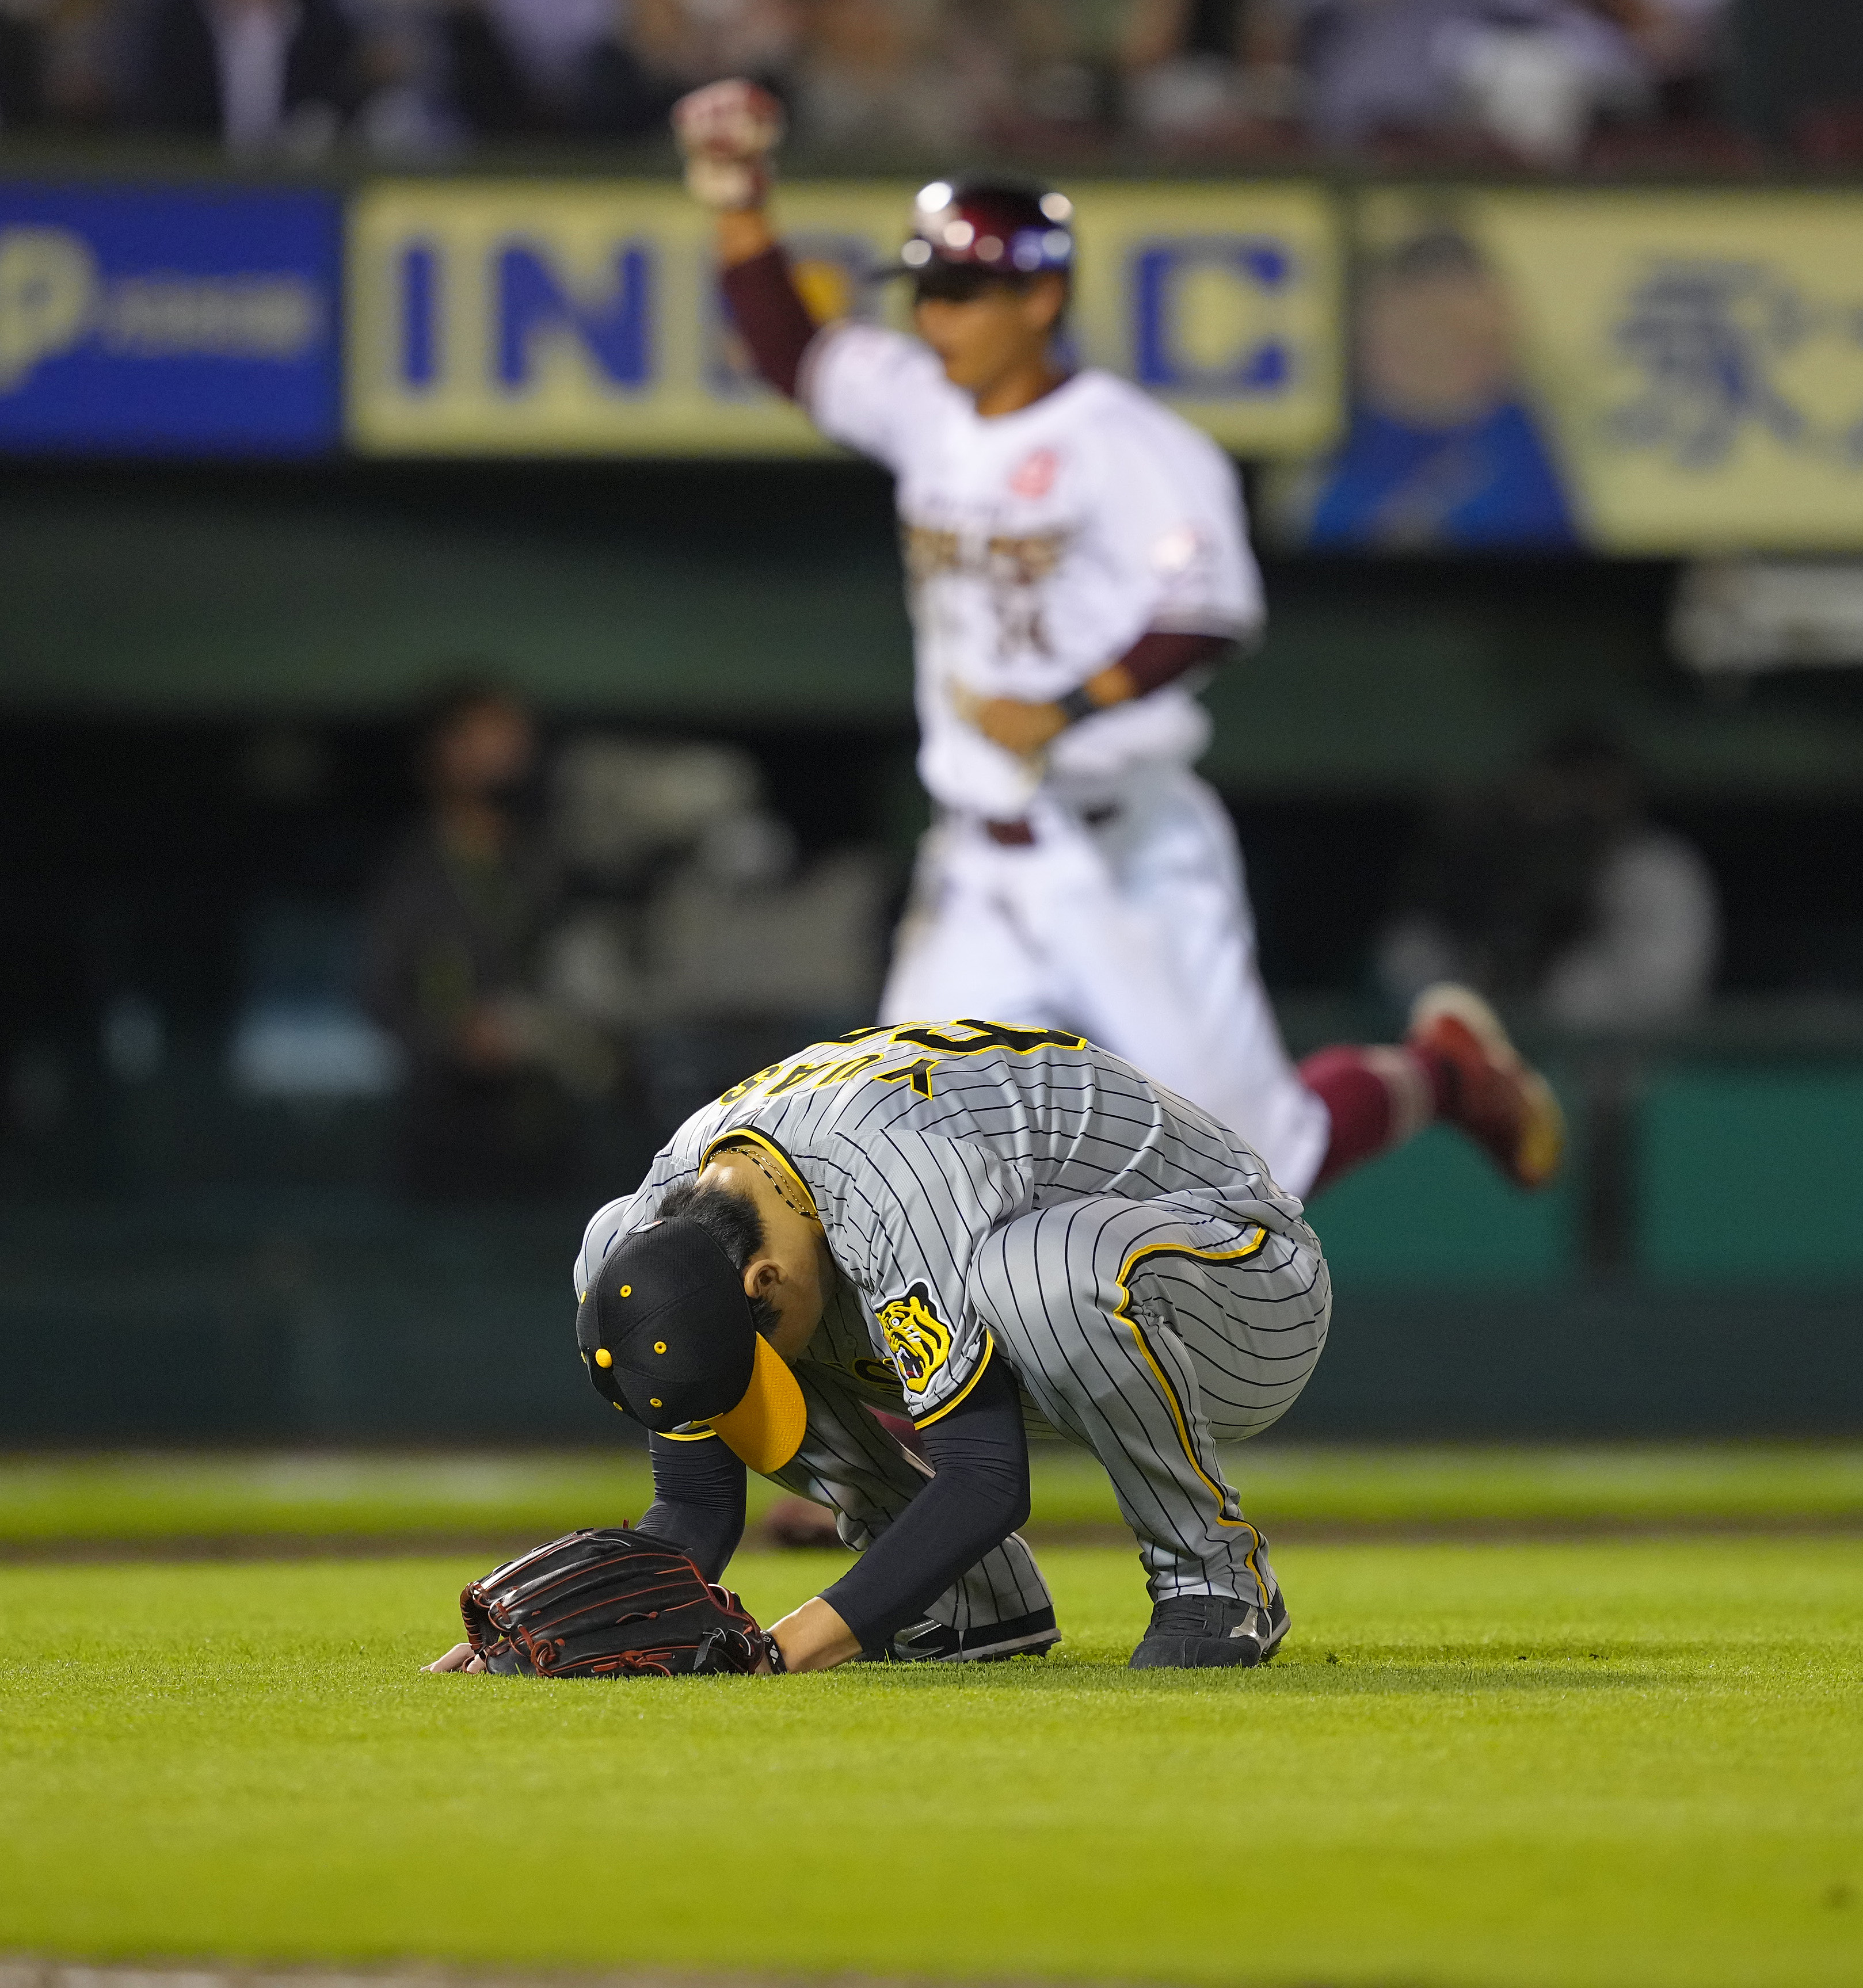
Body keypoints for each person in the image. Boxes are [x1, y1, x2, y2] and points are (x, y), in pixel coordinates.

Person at [668, 78, 1564, 1201]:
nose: (932, 316)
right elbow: (790, 350)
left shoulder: (1130, 444)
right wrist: (736, 198)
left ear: (1037, 299)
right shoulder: (928, 410)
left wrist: (1071, 701)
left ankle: (1438, 1074)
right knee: (899, 1166)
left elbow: (1206, 610)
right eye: (927, 290)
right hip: (982, 863)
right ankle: (930, 1385)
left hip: (1125, 851)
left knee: (1259, 1167)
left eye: (960, 291)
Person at [432, 1019, 1333, 1673]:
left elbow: (987, 1475)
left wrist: (789, 1644)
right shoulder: (648, 1236)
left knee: (1040, 1270)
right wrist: (575, 1615)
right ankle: (970, 1603)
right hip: (1063, 1302)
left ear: (759, 1283)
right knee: (947, 1295)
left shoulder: (895, 1179)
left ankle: (1214, 1576)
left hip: (1242, 1277)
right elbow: (697, 1503)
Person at [363, 680, 591, 1200]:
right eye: (492, 740)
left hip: (554, 1129)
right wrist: (456, 1039)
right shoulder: (413, 873)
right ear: (447, 751)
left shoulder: (551, 863)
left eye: (517, 740)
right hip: (447, 1134)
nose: (513, 757)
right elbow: (379, 994)